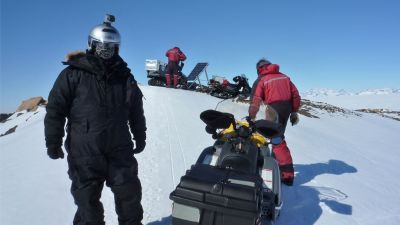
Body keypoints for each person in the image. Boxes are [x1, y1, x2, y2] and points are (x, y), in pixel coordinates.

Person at [44, 14, 146, 225]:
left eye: (111, 46)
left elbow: (136, 109)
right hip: (85, 150)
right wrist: (53, 141)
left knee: (130, 196)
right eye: (101, 46)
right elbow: (55, 109)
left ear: (118, 48)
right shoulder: (73, 74)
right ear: (91, 44)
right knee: (87, 204)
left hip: (119, 148)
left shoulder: (125, 77)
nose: (106, 51)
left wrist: (140, 135)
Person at [248, 58, 301, 186]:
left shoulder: (262, 79)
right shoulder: (284, 77)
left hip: (273, 109)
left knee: (273, 138)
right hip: (286, 109)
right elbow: (296, 95)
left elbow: (255, 99)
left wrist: (251, 116)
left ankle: (285, 174)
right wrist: (294, 111)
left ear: (259, 69)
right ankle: (275, 164)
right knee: (277, 136)